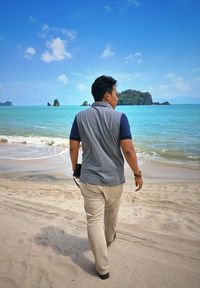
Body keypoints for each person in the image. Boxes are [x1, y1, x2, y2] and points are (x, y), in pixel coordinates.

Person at [69, 75, 143, 280]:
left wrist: (76, 168)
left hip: (90, 178)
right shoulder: (120, 118)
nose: (117, 98)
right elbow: (127, 150)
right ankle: (109, 238)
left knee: (93, 221)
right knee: (111, 215)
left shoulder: (80, 116)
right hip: (114, 180)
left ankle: (102, 269)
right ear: (107, 95)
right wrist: (137, 173)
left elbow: (73, 146)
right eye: (116, 94)